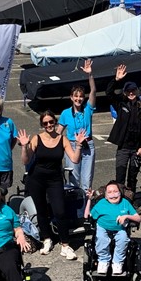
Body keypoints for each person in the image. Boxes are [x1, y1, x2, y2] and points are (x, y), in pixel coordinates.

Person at [18, 111, 85, 260]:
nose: (49, 125)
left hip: (55, 180)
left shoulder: (62, 139)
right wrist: (24, 146)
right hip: (37, 179)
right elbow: (25, 160)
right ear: (42, 125)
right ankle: (46, 239)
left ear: (55, 123)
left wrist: (79, 145)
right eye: (45, 123)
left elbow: (74, 159)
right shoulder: (37, 139)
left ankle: (65, 245)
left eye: (51, 122)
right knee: (41, 211)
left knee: (60, 211)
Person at [106, 64, 141, 209]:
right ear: (125, 93)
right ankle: (119, 203)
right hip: (123, 148)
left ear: (137, 92)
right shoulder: (121, 104)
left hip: (136, 150)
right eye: (128, 91)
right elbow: (109, 93)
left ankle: (131, 202)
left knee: (132, 178)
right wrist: (116, 79)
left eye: (133, 91)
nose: (131, 93)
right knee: (120, 177)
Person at [84, 181, 141, 275]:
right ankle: (103, 261)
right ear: (105, 195)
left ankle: (117, 262)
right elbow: (87, 216)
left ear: (120, 193)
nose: (113, 195)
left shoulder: (125, 203)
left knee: (123, 238)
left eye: (115, 191)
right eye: (109, 192)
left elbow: (138, 218)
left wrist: (126, 216)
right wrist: (89, 200)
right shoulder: (101, 203)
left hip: (120, 229)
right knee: (101, 238)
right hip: (103, 227)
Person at [57, 59, 96, 191]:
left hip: (87, 145)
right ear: (71, 97)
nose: (78, 99)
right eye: (76, 96)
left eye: (81, 96)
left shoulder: (88, 109)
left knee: (87, 181)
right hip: (72, 146)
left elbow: (93, 91)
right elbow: (58, 133)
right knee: (73, 180)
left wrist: (90, 75)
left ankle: (85, 209)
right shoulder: (65, 113)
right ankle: (75, 208)